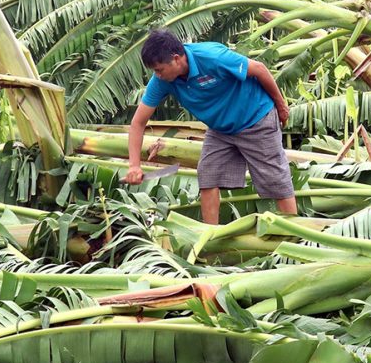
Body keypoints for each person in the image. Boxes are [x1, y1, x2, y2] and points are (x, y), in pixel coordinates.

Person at [124, 29, 297, 224]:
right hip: (221, 130)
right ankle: (209, 235)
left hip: (255, 120)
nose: (157, 75)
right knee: (208, 175)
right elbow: (138, 123)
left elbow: (259, 69)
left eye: (159, 69)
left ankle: (294, 235)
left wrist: (281, 106)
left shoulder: (212, 57)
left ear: (176, 59)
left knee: (276, 180)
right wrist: (134, 165)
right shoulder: (163, 81)